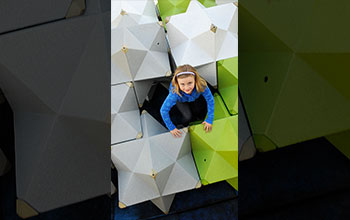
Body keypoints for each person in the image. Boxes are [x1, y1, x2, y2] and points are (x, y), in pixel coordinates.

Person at [160, 64, 215, 138]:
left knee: (198, 110)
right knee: (187, 117)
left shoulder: (201, 84)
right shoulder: (174, 93)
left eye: (190, 83)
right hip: (180, 99)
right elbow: (163, 110)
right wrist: (171, 128)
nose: (186, 88)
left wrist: (209, 119)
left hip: (195, 96)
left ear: (195, 80)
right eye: (182, 84)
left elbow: (210, 100)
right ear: (177, 83)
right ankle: (181, 124)